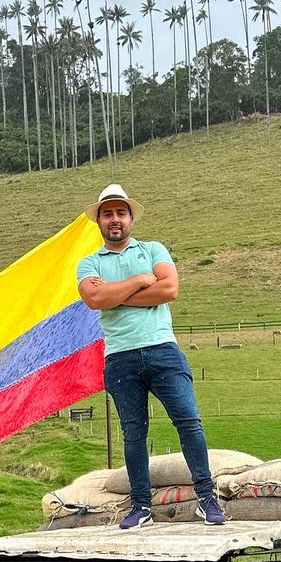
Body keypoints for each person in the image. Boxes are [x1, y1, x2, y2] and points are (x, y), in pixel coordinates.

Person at [76, 183, 225, 530]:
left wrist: (115, 294)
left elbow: (169, 288)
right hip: (120, 356)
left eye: (121, 212)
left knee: (188, 420)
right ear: (99, 220)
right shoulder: (89, 262)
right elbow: (94, 299)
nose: (115, 219)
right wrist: (142, 281)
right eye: (108, 213)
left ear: (130, 218)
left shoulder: (154, 249)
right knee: (133, 433)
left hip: (162, 349)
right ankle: (141, 506)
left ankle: (206, 498)